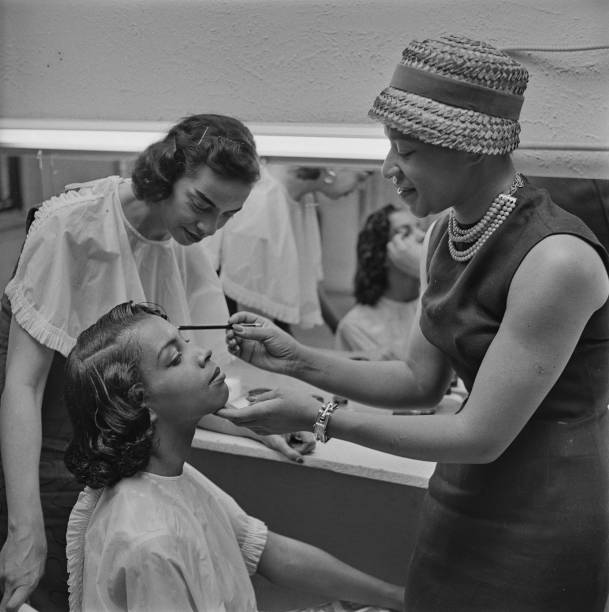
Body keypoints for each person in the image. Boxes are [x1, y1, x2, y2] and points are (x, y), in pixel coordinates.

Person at [218, 35, 609, 611]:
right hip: (460, 491)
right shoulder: (443, 235)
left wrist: (318, 414)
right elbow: (417, 381)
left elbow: (479, 434)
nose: (389, 169)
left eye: (407, 151)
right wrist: (297, 361)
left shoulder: (556, 261)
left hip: (546, 507)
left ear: (473, 148)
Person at [0, 114, 312, 612]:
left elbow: (180, 376)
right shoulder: (69, 226)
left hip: (121, 454)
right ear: (166, 172)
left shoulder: (181, 245)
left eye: (228, 216)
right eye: (202, 204)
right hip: (49, 450)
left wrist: (253, 423)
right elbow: (23, 387)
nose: (209, 228)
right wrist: (24, 529)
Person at [63, 301, 404, 612]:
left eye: (186, 341)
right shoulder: (151, 542)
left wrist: (397, 598)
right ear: (141, 404)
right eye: (174, 358)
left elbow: (264, 549)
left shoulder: (172, 478)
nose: (203, 354)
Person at [206, 164, 369, 333]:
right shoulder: (261, 200)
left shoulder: (304, 202)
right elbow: (246, 298)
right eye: (365, 175)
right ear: (334, 167)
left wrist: (339, 327)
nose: (362, 186)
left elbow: (308, 275)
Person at [334, 204, 423, 360]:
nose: (422, 235)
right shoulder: (356, 327)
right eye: (405, 232)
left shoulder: (435, 306)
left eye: (419, 227)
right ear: (381, 253)